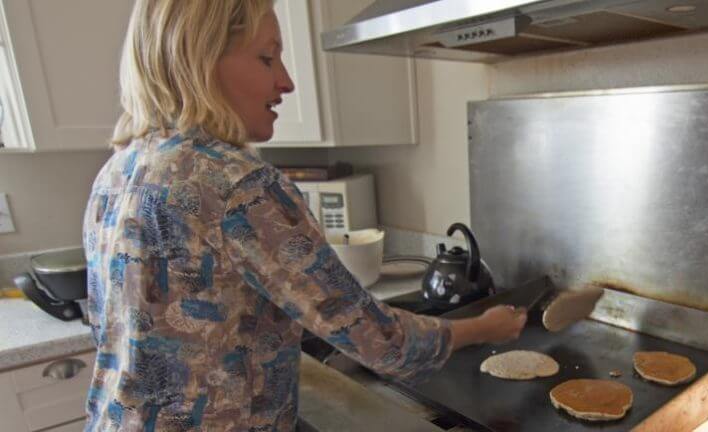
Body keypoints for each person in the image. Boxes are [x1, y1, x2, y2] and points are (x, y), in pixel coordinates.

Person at [82, 1, 528, 430]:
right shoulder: (238, 186)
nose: (287, 81)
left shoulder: (117, 172)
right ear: (199, 59)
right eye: (266, 58)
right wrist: (484, 328)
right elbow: (382, 343)